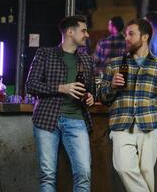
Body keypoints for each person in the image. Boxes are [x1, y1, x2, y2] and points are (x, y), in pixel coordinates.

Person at [99, 18, 157, 192]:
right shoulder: (114, 65)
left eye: (131, 34)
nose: (126, 38)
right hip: (121, 125)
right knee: (123, 167)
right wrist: (112, 86)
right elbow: (103, 97)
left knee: (146, 172)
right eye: (126, 34)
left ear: (145, 37)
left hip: (149, 125)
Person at [25, 15, 95, 192]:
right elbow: (31, 85)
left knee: (84, 174)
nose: (87, 34)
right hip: (47, 120)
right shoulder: (45, 54)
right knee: (47, 175)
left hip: (77, 119)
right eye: (84, 30)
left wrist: (91, 97)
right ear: (70, 32)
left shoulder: (86, 60)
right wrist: (61, 88)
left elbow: (92, 90)